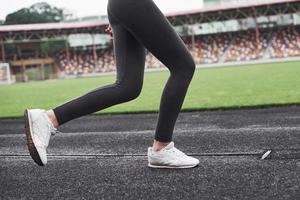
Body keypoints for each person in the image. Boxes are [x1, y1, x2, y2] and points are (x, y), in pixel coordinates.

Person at [24, 0, 199, 169]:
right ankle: (162, 147)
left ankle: (48, 119)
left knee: (128, 86)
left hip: (123, 5)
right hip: (131, 4)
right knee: (183, 67)